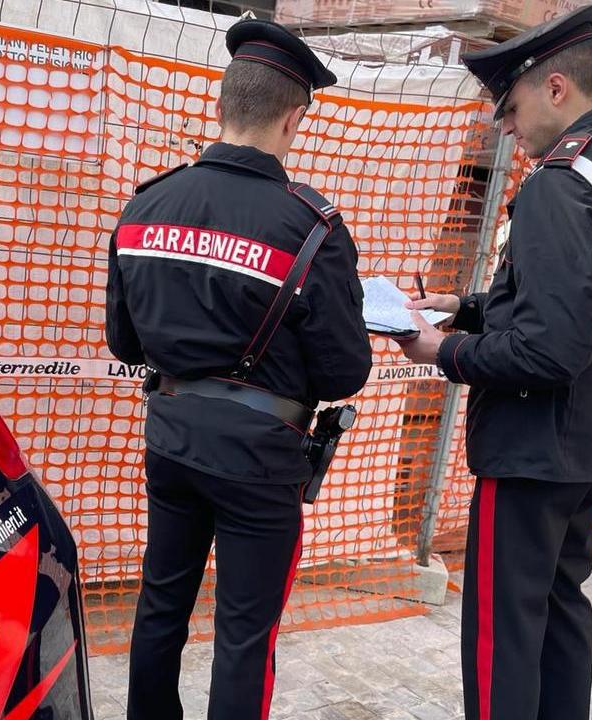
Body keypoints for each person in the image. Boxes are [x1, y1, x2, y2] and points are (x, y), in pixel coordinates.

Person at [396, 6, 592, 719]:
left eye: (512, 106)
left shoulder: (563, 183)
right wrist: (466, 305)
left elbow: (546, 348)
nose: (505, 125)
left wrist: (444, 350)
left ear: (557, 89)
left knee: (504, 631)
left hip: (534, 445)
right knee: (559, 609)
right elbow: (585, 305)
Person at [104, 18, 373, 720]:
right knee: (245, 636)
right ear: (294, 117)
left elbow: (125, 344)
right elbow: (344, 371)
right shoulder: (313, 228)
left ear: (221, 107)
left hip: (170, 441)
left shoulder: (145, 206)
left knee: (161, 604)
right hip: (259, 462)